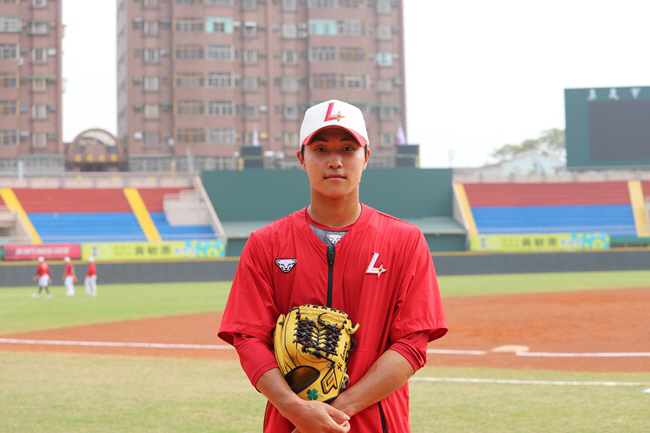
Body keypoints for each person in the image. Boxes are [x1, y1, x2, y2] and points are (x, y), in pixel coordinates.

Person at [218, 99, 448, 433]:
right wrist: (292, 408)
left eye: (348, 148)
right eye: (321, 149)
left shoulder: (404, 241)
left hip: (375, 424)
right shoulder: (265, 243)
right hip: (289, 424)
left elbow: (412, 343)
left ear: (366, 157)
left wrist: (332, 413)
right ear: (302, 158)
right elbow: (248, 338)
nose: (335, 161)